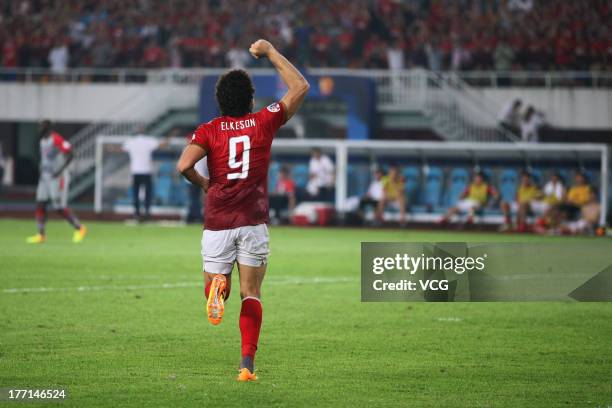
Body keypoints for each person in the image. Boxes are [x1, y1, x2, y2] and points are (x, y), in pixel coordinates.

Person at [176, 39, 309, 382]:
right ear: (251, 100)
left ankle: (217, 289)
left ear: (220, 102)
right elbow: (300, 86)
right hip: (253, 219)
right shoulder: (264, 121)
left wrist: (205, 184)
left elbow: (183, 166)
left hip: (218, 219)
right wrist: (269, 52)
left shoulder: (209, 130)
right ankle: (246, 366)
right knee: (252, 293)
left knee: (215, 287)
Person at [26, 120, 87, 244]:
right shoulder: (42, 141)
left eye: (41, 126)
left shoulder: (56, 139)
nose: (39, 128)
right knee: (40, 203)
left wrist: (59, 171)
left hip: (58, 178)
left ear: (48, 127)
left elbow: (71, 153)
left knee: (59, 207)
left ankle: (80, 228)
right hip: (45, 177)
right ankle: (41, 234)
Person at [121, 132, 169, 221]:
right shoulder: (148, 141)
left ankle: (136, 213)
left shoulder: (131, 142)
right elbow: (161, 145)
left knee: (136, 194)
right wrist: (169, 138)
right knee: (147, 194)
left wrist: (110, 148)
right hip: (146, 171)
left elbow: (121, 149)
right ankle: (147, 213)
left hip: (136, 171)